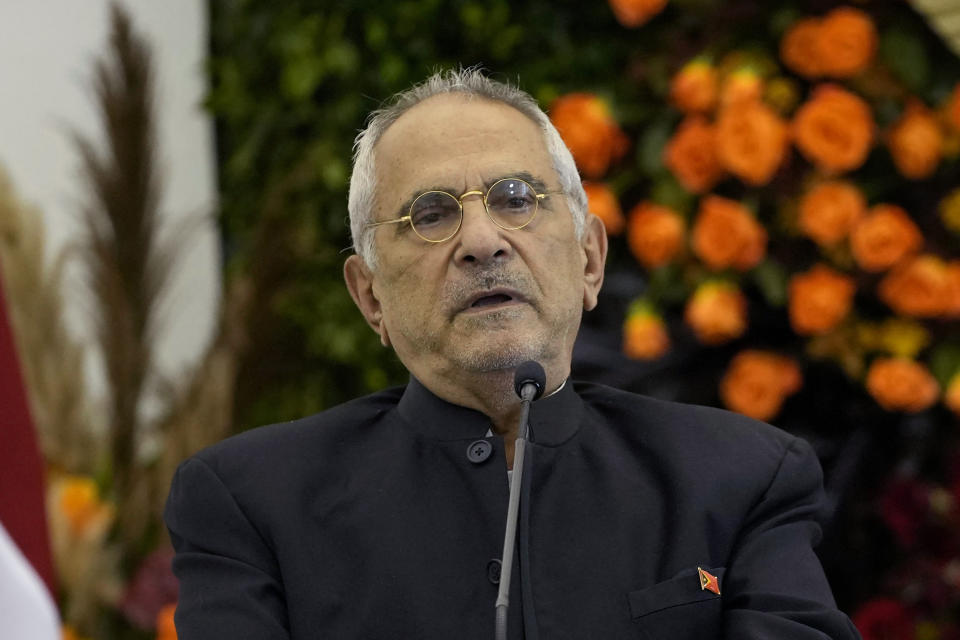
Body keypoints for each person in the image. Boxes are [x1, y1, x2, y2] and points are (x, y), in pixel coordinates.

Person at [165, 69, 861, 639]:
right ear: (369, 296)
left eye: (516, 198)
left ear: (590, 261)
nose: (482, 241)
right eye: (431, 214)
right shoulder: (252, 505)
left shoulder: (737, 479)